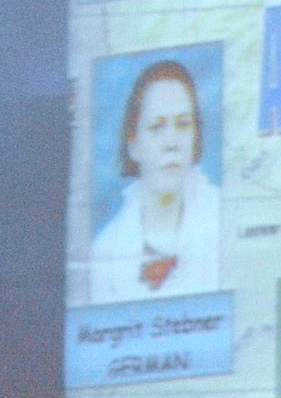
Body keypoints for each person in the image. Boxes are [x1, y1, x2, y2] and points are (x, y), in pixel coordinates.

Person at [87, 59, 220, 301]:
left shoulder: (225, 220)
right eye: (157, 127)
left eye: (183, 124)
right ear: (133, 144)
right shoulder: (103, 255)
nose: (172, 142)